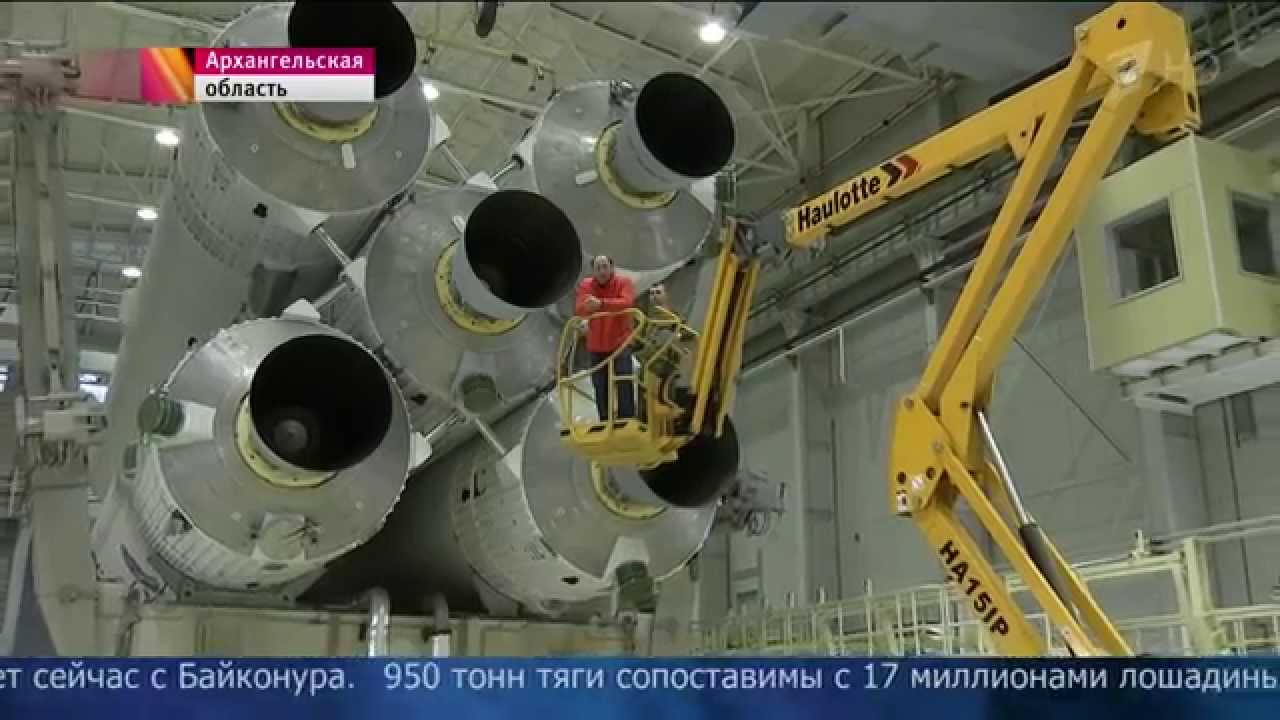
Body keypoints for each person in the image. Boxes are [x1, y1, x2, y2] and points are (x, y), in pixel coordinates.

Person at [575, 255, 637, 421]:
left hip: (620, 344)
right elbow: (580, 308)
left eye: (605, 267)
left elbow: (627, 302)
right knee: (600, 385)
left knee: (624, 380)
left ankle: (626, 419)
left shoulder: (624, 283)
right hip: (596, 347)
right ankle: (604, 420)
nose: (602, 271)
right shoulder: (586, 285)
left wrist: (601, 304)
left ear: (611, 268)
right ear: (593, 271)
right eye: (598, 268)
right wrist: (591, 307)